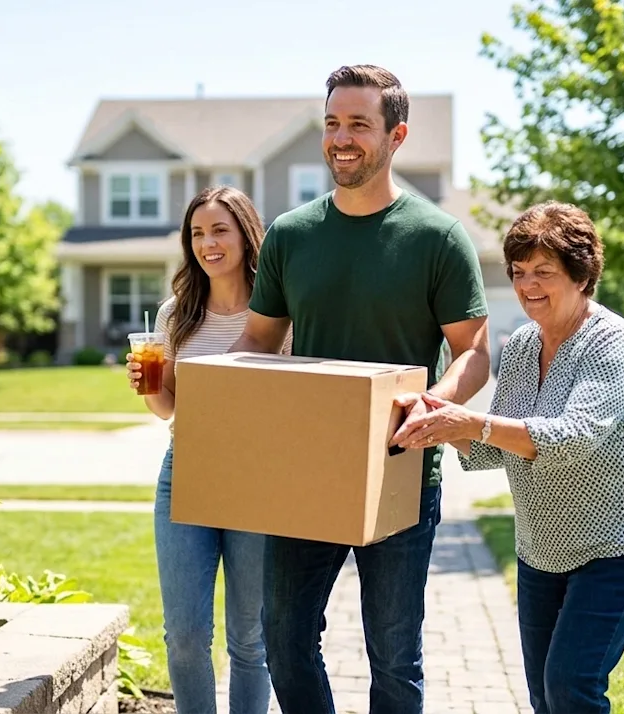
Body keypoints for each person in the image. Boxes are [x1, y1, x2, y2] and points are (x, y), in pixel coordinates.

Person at [227, 64, 492, 713]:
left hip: (400, 473)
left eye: (358, 125)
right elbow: (259, 340)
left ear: (396, 135)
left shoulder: (437, 237)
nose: (341, 139)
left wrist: (439, 403)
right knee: (286, 639)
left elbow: (476, 352)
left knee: (394, 659)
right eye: (332, 124)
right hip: (305, 473)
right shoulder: (292, 234)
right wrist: (215, 396)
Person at [390, 200, 624, 714]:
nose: (527, 286)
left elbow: (573, 437)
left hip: (621, 543)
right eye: (519, 272)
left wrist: (470, 421)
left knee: (571, 685)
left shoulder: (611, 341)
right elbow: (492, 448)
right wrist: (432, 418)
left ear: (582, 273)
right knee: (545, 697)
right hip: (542, 547)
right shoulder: (522, 345)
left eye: (543, 271)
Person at [126, 186, 289, 714]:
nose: (207, 243)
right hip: (187, 471)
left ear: (246, 234)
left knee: (249, 639)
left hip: (257, 480)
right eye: (197, 233)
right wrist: (147, 385)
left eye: (220, 230)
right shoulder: (179, 312)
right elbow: (168, 407)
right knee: (186, 634)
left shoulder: (280, 312)